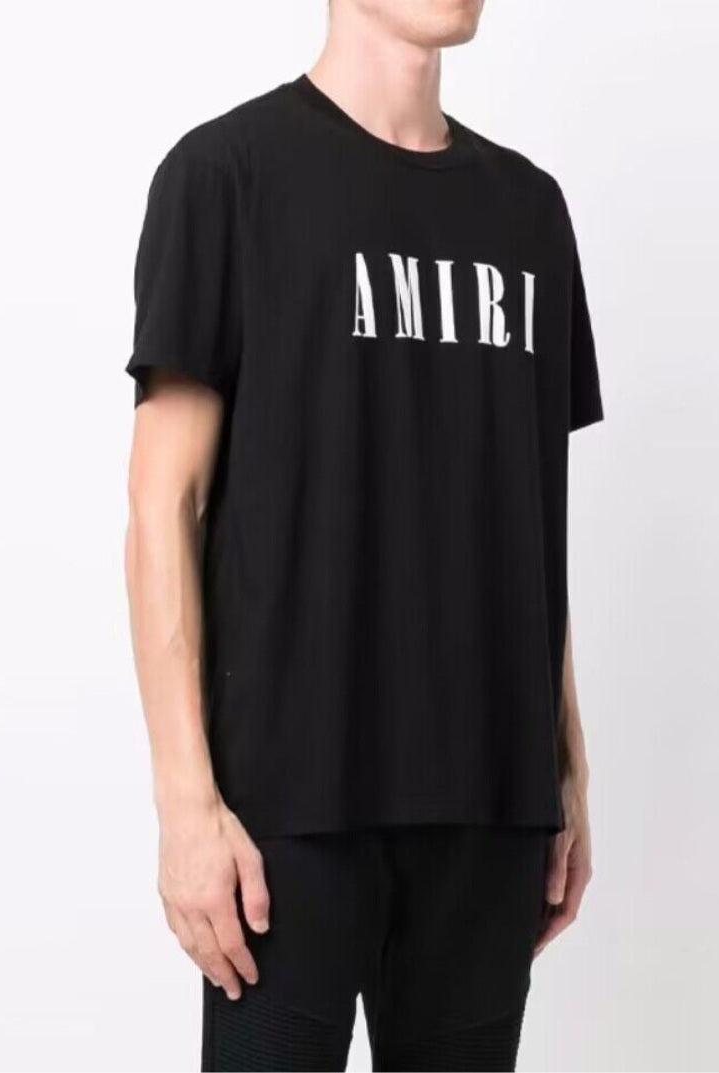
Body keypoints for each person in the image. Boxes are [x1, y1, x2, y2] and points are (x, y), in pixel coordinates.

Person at [124, 0, 602, 1068]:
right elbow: (163, 505)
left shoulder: (529, 211)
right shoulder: (228, 175)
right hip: (288, 806)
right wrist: (185, 801)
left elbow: (532, 512)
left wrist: (567, 766)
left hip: (491, 800)